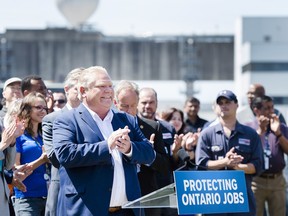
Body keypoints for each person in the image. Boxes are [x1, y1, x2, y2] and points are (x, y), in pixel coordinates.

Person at [52, 66, 155, 216]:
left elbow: (149, 153)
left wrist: (129, 148)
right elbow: (65, 154)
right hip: (86, 210)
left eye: (110, 86)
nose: (108, 90)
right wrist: (107, 145)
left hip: (127, 211)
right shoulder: (67, 120)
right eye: (101, 86)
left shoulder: (125, 119)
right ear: (83, 91)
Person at [196, 90, 264, 216]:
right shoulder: (207, 134)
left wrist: (237, 166)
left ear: (237, 105)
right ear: (216, 107)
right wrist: (225, 162)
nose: (224, 105)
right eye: (220, 103)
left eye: (228, 102)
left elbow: (258, 166)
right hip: (215, 199)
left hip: (242, 197)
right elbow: (201, 164)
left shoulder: (250, 134)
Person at [114, 80, 169, 216]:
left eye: (133, 105)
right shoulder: (107, 126)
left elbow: (164, 165)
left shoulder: (152, 127)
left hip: (146, 198)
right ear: (115, 104)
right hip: (115, 200)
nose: (129, 110)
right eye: (124, 106)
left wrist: (147, 155)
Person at [42, 67, 83, 216]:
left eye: (86, 89)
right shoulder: (52, 120)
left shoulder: (98, 119)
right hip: (63, 188)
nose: (82, 94)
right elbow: (56, 157)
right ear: (67, 89)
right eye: (78, 89)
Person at [246, 96, 288, 216]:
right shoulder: (248, 128)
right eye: (266, 108)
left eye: (272, 107)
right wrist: (261, 130)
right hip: (256, 181)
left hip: (277, 180)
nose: (271, 111)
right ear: (256, 110)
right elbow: (247, 151)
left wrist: (278, 133)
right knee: (255, 213)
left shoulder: (281, 127)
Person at [14, 92, 50, 216]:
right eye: (38, 107)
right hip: (27, 198)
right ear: (27, 110)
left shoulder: (46, 136)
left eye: (45, 108)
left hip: (49, 196)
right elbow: (15, 170)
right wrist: (42, 159)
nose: (43, 111)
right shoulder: (18, 136)